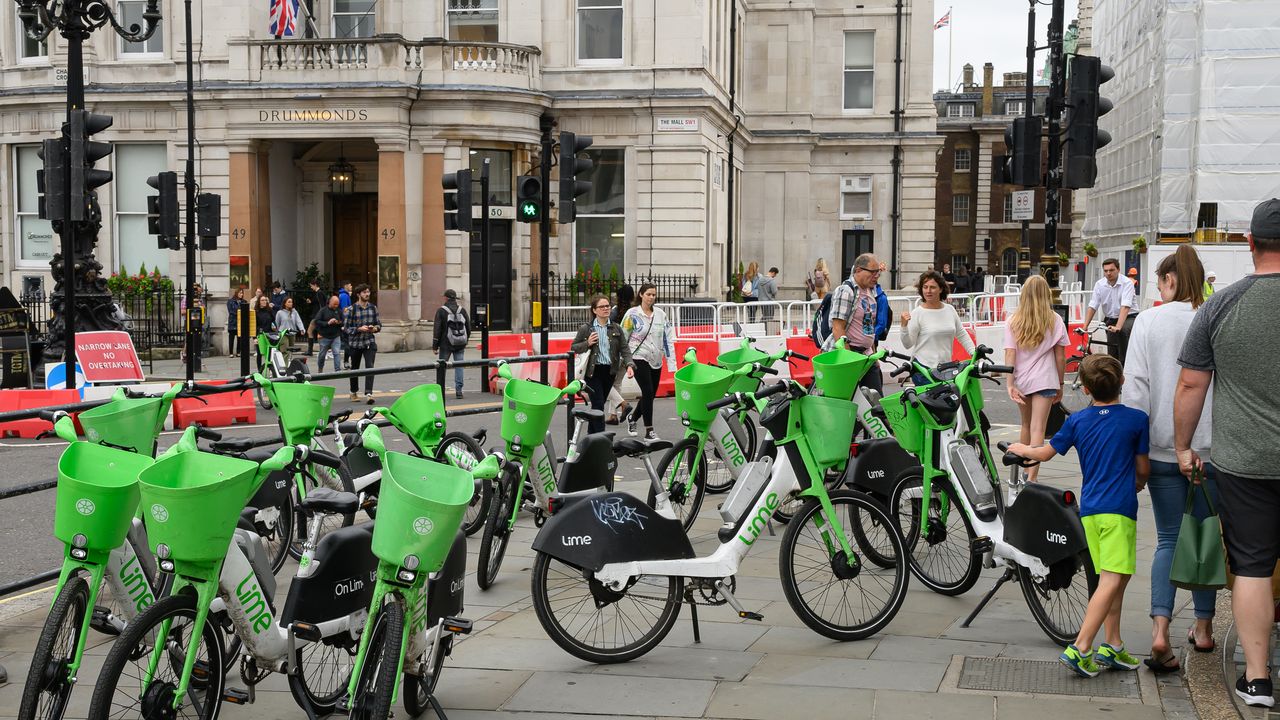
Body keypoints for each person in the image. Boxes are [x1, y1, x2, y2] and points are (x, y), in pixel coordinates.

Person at [1174, 198, 1280, 708]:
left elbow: (1192, 385)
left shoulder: (1220, 305)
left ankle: (1257, 679)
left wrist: (1182, 446)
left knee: (1254, 568)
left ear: (1251, 244)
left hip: (1245, 462)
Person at [1009, 354, 1150, 679]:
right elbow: (1142, 469)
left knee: (1114, 578)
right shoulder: (1136, 420)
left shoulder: (1077, 422)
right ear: (1123, 382)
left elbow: (1044, 452)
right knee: (1114, 578)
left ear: (1085, 389)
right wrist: (1139, 483)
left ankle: (1112, 644)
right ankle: (1082, 646)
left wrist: (1022, 449)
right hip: (1120, 512)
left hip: (1090, 512)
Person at [1122, 244, 1217, 674]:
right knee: (1204, 536)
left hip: (1160, 447)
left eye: (1159, 282)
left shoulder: (1150, 321)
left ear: (1171, 280)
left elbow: (1136, 387)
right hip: (1210, 449)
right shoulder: (1214, 316)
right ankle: (1202, 628)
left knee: (1167, 539)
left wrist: (1135, 450)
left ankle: (1160, 631)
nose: (1158, 290)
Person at [1003, 275, 1069, 483]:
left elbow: (1010, 354)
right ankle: (1032, 477)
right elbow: (1060, 356)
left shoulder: (1013, 321)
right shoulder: (1055, 320)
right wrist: (1060, 383)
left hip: (1022, 380)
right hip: (1046, 379)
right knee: (1038, 428)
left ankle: (1021, 471)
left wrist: (1010, 383)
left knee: (1025, 425)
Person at [571, 295, 634, 434]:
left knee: (597, 407)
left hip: (610, 372)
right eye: (602, 307)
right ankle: (603, 439)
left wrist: (629, 365)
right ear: (594, 310)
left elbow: (625, 349)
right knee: (599, 405)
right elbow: (574, 347)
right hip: (593, 372)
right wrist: (587, 343)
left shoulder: (616, 328)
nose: (606, 309)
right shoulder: (586, 329)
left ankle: (591, 438)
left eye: (608, 306)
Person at [828, 253, 890, 391]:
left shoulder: (870, 292)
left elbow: (869, 327)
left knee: (875, 403)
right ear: (858, 271)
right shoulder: (846, 291)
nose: (876, 276)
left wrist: (874, 355)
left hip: (867, 356)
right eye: (873, 272)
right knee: (849, 403)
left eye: (878, 273)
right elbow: (838, 328)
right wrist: (849, 360)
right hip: (851, 356)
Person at [621, 283, 675, 440]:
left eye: (653, 294)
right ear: (641, 295)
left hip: (656, 358)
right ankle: (649, 430)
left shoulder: (660, 314)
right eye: (648, 294)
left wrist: (672, 363)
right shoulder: (632, 314)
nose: (651, 297)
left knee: (650, 395)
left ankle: (633, 417)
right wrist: (624, 360)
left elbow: (667, 338)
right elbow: (623, 337)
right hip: (638, 356)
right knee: (648, 391)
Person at [900, 270, 975, 380]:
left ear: (940, 289)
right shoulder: (918, 313)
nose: (928, 291)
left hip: (946, 369)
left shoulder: (950, 310)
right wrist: (903, 326)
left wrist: (974, 353)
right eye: (925, 287)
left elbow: (961, 334)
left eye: (932, 287)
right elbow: (907, 344)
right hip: (923, 370)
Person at [1083, 258, 1140, 363]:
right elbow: (1093, 305)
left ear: (1118, 269)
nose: (1108, 273)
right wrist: (1085, 326)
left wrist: (1118, 326)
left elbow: (1125, 306)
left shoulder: (1127, 283)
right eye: (1105, 271)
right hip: (1111, 318)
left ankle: (1126, 366)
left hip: (1129, 316)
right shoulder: (1099, 284)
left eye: (1111, 270)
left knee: (1122, 332)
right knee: (1112, 352)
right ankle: (1113, 371)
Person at [343, 284, 381, 404]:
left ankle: (369, 393)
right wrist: (359, 329)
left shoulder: (373, 308)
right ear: (358, 294)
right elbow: (346, 328)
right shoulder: (351, 309)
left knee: (370, 367)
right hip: (355, 344)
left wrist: (374, 328)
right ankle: (353, 392)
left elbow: (379, 325)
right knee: (355, 368)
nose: (367, 294)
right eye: (364, 292)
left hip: (369, 342)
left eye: (368, 292)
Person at [432, 289, 470, 399]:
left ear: (446, 298)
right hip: (460, 343)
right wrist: (464, 340)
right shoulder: (462, 310)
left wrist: (435, 345)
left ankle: (440, 390)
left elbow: (437, 329)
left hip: (445, 344)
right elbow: (468, 327)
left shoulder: (441, 311)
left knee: (441, 367)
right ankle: (459, 391)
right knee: (459, 366)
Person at [606, 285, 636, 425]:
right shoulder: (635, 312)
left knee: (605, 383)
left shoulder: (614, 312)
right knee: (616, 383)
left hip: (616, 352)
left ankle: (623, 404)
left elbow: (608, 330)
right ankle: (613, 415)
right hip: (630, 353)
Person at [313, 294, 343, 372]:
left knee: (336, 353)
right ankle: (320, 368)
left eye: (337, 304)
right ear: (330, 302)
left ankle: (337, 370)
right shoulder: (323, 310)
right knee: (322, 355)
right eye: (334, 304)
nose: (336, 306)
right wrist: (327, 323)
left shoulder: (339, 311)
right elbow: (317, 321)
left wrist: (338, 322)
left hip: (335, 335)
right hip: (324, 336)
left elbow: (343, 321)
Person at [253, 294, 276, 371]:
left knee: (269, 353)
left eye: (265, 300)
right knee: (259, 353)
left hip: (269, 334)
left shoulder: (269, 310)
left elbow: (274, 320)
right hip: (260, 335)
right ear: (259, 302)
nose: (264, 302)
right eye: (262, 300)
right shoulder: (256, 312)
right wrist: (254, 337)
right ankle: (259, 370)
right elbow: (254, 325)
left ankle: (269, 370)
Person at [304, 279, 324, 356]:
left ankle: (310, 351)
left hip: (317, 316)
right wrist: (311, 302)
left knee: (311, 331)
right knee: (314, 332)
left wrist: (320, 316)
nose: (311, 287)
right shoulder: (318, 293)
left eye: (311, 286)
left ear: (315, 285)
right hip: (317, 315)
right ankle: (311, 351)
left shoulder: (319, 293)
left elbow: (321, 305)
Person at [226, 288, 246, 358]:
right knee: (231, 338)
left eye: (242, 293)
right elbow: (231, 311)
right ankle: (231, 352)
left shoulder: (244, 301)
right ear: (236, 293)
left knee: (239, 338)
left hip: (240, 322)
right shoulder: (230, 301)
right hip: (233, 322)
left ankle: (238, 352)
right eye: (240, 293)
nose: (241, 294)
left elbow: (245, 311)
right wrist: (239, 313)